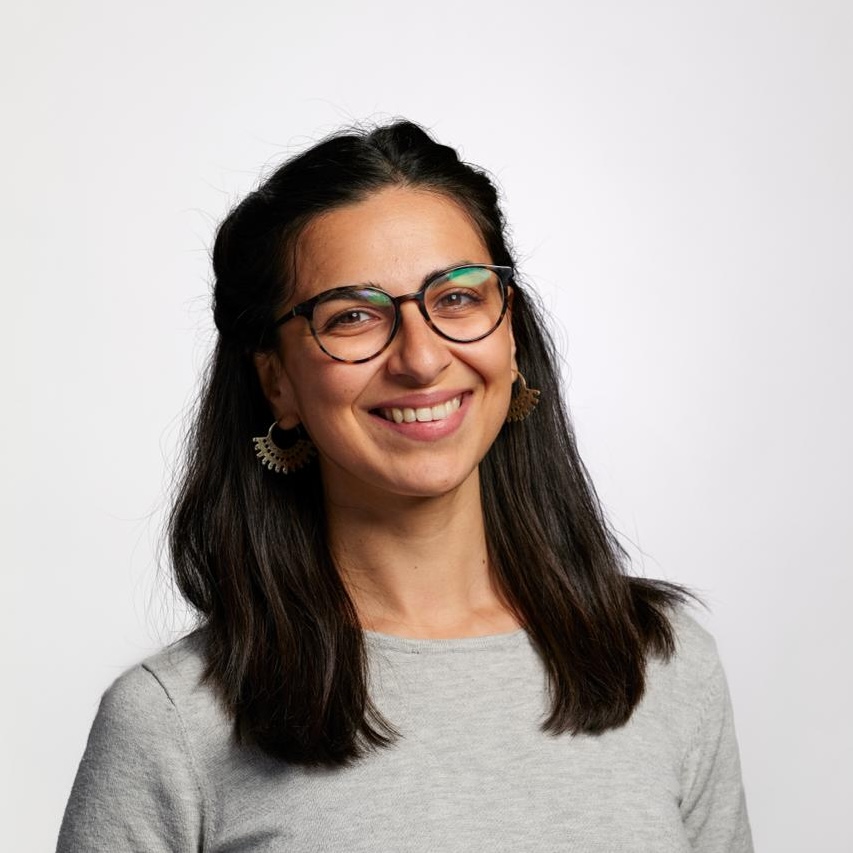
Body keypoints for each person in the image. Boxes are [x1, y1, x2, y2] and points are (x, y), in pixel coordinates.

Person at [57, 120, 753, 852]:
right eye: (354, 316)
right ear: (277, 382)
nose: (420, 359)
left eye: (457, 298)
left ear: (510, 334)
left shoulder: (668, 666)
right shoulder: (169, 723)